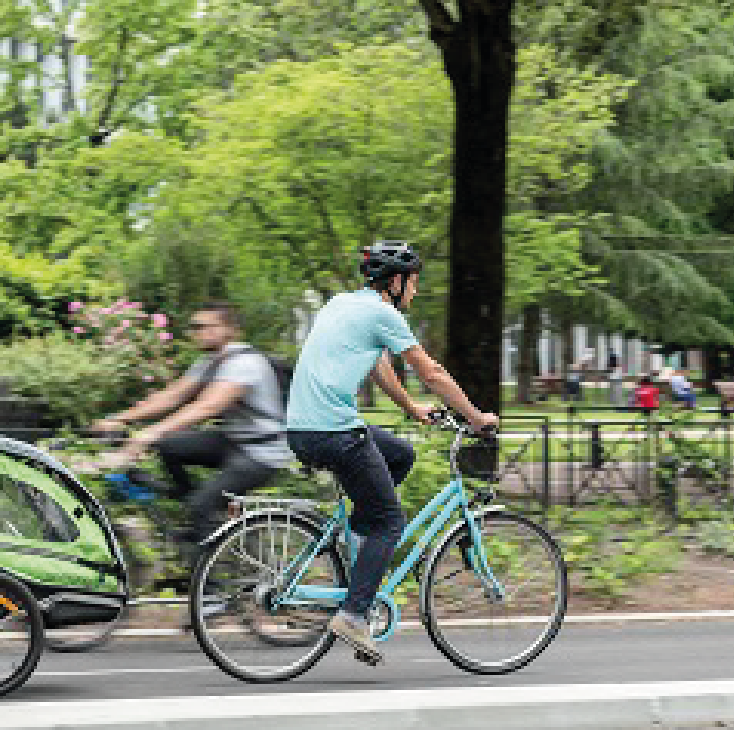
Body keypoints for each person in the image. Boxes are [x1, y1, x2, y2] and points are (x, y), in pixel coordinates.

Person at [285, 240, 498, 665]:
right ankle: (353, 613)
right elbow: (431, 372)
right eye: (414, 283)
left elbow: (377, 364)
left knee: (400, 455)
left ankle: (360, 551)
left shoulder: (343, 304)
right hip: (334, 431)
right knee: (390, 521)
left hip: (303, 427)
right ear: (396, 282)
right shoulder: (383, 313)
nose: (415, 292)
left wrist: (411, 408)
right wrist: (475, 417)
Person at [93, 301, 290, 554]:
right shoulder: (210, 361)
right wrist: (120, 419)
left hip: (262, 454)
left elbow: (206, 407)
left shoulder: (245, 364)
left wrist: (151, 431)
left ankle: (210, 587)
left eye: (204, 327)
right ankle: (197, 512)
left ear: (230, 330)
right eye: (194, 327)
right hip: (233, 442)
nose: (197, 332)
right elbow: (172, 397)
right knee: (168, 446)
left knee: (201, 505)